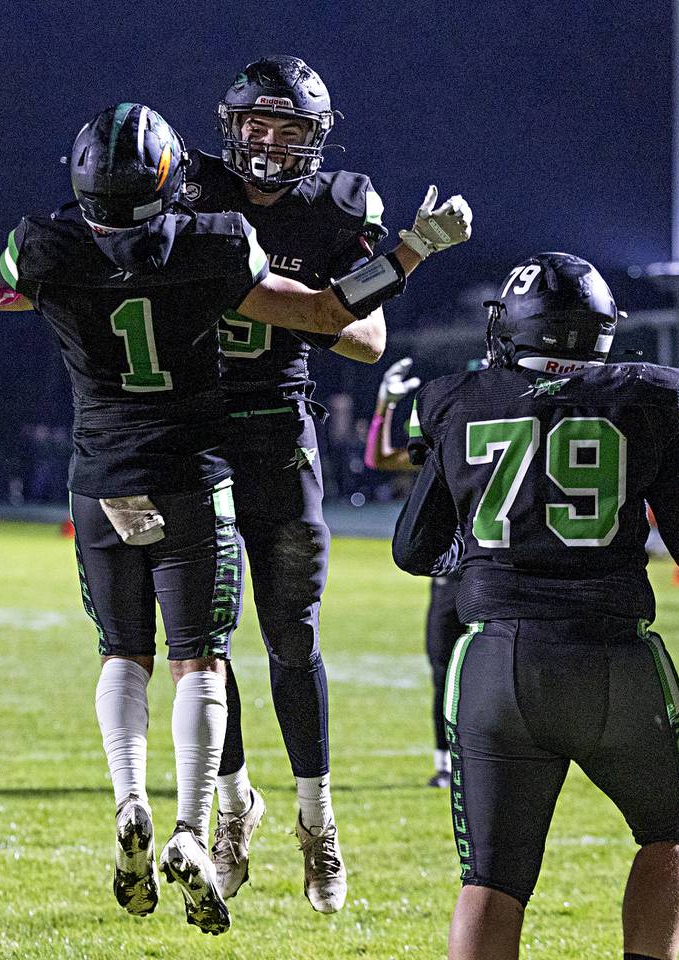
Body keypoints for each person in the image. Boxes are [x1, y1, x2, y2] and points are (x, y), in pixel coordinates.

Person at [0, 102, 469, 934]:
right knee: (200, 663)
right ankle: (188, 828)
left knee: (121, 656)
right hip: (190, 469)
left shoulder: (48, 246)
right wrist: (415, 250)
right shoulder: (214, 245)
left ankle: (131, 798)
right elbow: (327, 314)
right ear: (175, 180)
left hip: (98, 478)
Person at [393, 253, 679, 960]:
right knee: (671, 831)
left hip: (497, 661)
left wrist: (476, 563)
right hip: (613, 658)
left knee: (492, 880)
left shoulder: (455, 399)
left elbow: (414, 548)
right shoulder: (648, 394)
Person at [184, 55, 443, 912]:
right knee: (204, 645)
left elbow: (365, 338)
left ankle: (317, 824)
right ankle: (231, 811)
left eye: (288, 130)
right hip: (192, 435)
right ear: (231, 126)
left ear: (315, 141)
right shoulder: (186, 187)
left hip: (278, 432)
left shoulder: (337, 207)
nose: (267, 141)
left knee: (292, 640)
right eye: (257, 124)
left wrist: (310, 305)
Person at [364, 356, 457, 789]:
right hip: (447, 579)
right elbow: (379, 457)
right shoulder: (443, 451)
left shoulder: (502, 439)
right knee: (442, 674)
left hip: (487, 574)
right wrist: (385, 405)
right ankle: (446, 763)